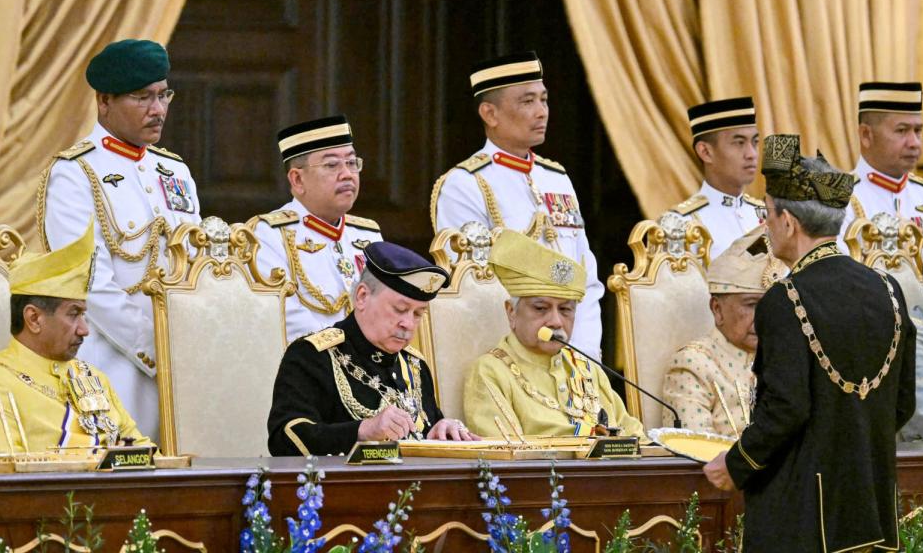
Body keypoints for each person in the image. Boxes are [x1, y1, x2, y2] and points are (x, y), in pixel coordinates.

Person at [703, 134, 916, 552]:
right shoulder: (888, 289)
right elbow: (902, 404)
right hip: (871, 504)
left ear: (788, 222)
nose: (765, 227)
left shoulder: (786, 298)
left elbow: (786, 408)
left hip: (802, 517)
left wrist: (735, 463)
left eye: (766, 216)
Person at [36, 39, 201, 439]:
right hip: (112, 364)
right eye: (142, 97)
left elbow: (198, 267)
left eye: (164, 95)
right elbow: (90, 284)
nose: (158, 110)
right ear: (104, 101)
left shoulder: (174, 171)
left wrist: (193, 349)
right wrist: (157, 351)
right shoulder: (75, 173)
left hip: (188, 366)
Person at [430, 51, 604, 360]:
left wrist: (585, 354)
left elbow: (585, 278)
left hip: (573, 355)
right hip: (507, 359)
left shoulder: (557, 178)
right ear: (490, 114)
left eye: (544, 100)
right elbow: (476, 291)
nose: (542, 112)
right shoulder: (464, 185)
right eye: (527, 102)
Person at [267, 241, 478, 456]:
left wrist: (443, 430)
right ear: (362, 297)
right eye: (400, 309)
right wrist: (362, 431)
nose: (408, 323)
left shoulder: (414, 365)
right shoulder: (312, 356)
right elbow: (284, 438)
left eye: (418, 314)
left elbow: (421, 437)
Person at [0, 219, 150, 454]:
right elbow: (5, 479)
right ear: (34, 319)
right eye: (73, 314)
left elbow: (145, 455)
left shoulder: (94, 378)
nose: (84, 330)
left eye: (83, 315)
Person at [463, 229, 645, 439]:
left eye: (566, 310)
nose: (556, 322)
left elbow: (634, 434)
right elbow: (505, 453)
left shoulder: (586, 368)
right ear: (511, 312)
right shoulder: (490, 371)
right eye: (541, 308)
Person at [252, 116, 383, 342]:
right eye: (332, 165)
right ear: (297, 180)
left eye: (352, 163)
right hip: (310, 368)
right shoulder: (268, 235)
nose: (347, 174)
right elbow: (283, 318)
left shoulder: (368, 234)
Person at [662, 227, 784, 436]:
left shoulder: (786, 358)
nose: (765, 316)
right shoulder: (693, 364)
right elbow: (692, 455)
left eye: (772, 305)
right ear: (717, 309)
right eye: (752, 305)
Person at [673, 97, 764, 259]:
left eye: (755, 142)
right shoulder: (681, 224)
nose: (752, 154)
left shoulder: (766, 214)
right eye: (739, 143)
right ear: (705, 152)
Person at [839, 82, 923, 241]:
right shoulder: (839, 203)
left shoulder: (922, 194)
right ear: (866, 135)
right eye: (902, 130)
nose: (915, 143)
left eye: (918, 131)